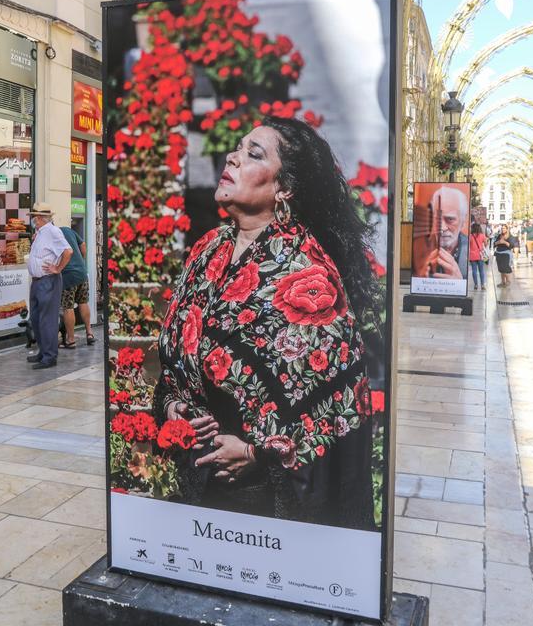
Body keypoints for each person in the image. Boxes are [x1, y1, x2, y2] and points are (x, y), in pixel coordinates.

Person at [153, 118, 378, 530]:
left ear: (283, 188)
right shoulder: (209, 249)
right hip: (196, 485)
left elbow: (334, 409)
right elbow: (176, 358)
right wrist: (173, 406)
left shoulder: (307, 272)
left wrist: (255, 454)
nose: (233, 158)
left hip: (264, 505)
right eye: (238, 148)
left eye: (253, 154)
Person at [26, 203, 72, 369]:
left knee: (47, 320)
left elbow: (68, 251)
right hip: (38, 281)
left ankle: (50, 356)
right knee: (37, 319)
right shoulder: (40, 232)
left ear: (39, 218)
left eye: (34, 217)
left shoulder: (53, 231)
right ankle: (43, 351)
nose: (33, 220)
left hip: (48, 280)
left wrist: (57, 268)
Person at [414, 185, 469, 280]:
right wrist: (420, 278)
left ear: (463, 222)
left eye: (450, 219)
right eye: (437, 218)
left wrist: (459, 282)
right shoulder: (417, 247)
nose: (442, 228)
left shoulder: (470, 248)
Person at [59, 224, 95, 347]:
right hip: (82, 273)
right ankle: (89, 333)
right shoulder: (68, 230)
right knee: (83, 302)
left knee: (68, 307)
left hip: (68, 275)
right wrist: (81, 260)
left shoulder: (52, 235)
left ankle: (71, 340)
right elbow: (83, 245)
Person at [469, 222, 487, 291]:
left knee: (474, 271)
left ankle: (476, 285)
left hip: (472, 256)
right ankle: (482, 285)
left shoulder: (470, 236)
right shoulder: (482, 235)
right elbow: (485, 244)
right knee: (481, 270)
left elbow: (469, 245)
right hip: (480, 255)